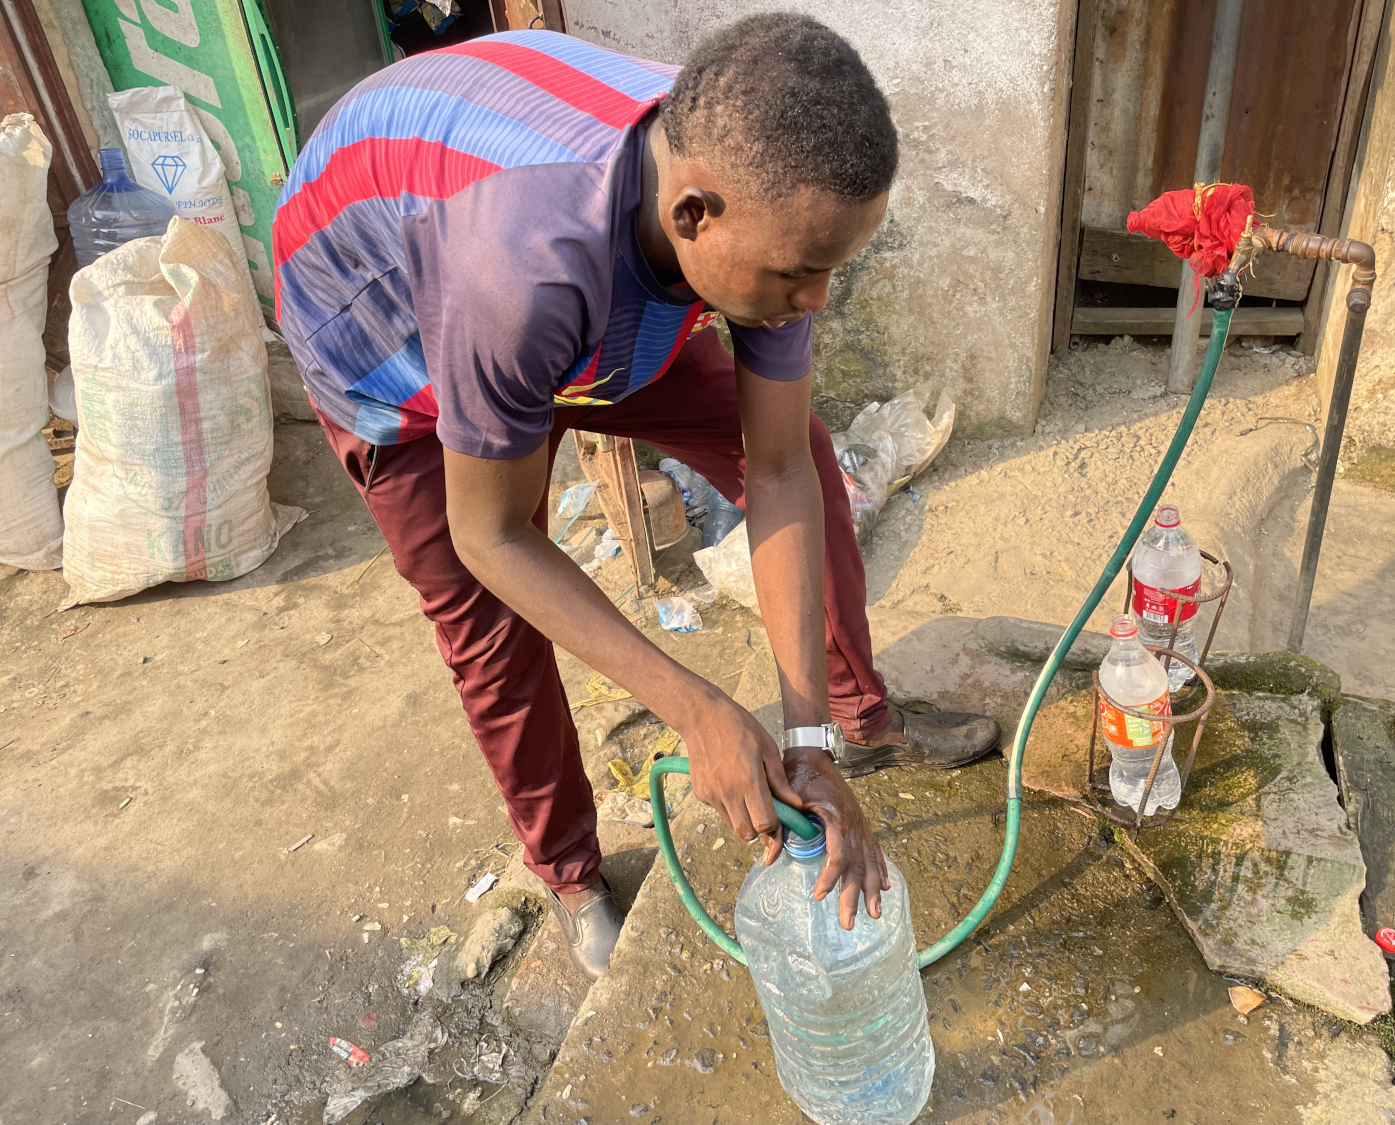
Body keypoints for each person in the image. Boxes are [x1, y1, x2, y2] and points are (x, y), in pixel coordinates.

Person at [272, 14, 1000, 980]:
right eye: (798, 274)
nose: (816, 300)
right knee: (489, 619)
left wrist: (801, 734)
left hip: (575, 289)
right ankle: (569, 868)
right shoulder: (521, 269)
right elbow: (489, 533)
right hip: (391, 331)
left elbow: (775, 467)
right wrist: (695, 709)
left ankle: (850, 725)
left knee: (810, 456)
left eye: (833, 268)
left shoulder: (754, 175)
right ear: (692, 213)